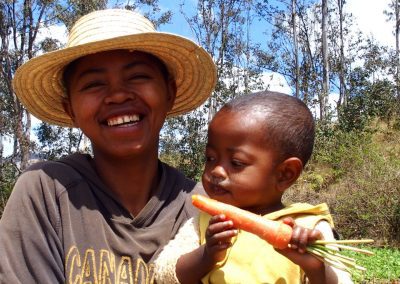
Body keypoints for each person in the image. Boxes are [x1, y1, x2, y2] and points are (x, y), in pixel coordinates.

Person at [0, 9, 216, 283]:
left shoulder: (200, 208)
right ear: (71, 110)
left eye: (138, 76)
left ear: (169, 93)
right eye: (94, 84)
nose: (117, 95)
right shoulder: (47, 192)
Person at [154, 91, 353, 284]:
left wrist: (315, 268)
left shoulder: (309, 228)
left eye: (237, 163)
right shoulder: (204, 222)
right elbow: (165, 275)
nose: (216, 171)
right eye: (210, 158)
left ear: (285, 173)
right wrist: (206, 255)